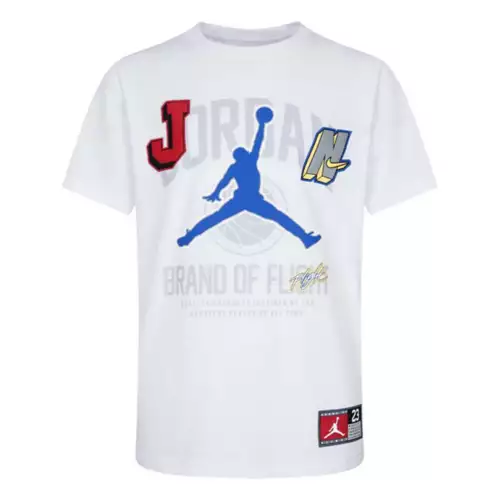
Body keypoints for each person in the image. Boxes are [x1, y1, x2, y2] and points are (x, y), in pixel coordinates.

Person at [177, 106, 321, 249]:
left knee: (214, 219)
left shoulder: (235, 167)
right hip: (251, 200)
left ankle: (189, 237)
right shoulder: (249, 161)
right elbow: (258, 142)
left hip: (243, 199)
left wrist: (216, 193)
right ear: (242, 155)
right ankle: (305, 238)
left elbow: (224, 182)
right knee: (280, 218)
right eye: (244, 152)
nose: (247, 152)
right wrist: (262, 125)